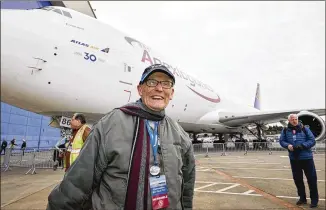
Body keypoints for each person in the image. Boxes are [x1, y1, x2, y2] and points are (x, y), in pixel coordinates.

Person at [47, 64, 196, 210]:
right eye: (151, 82)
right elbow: (77, 183)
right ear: (140, 89)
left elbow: (186, 190)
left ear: (172, 93)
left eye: (166, 84)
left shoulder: (179, 134)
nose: (159, 88)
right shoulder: (111, 124)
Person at [279, 114, 319, 208]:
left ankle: (314, 200)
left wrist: (302, 146)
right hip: (294, 159)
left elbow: (312, 140)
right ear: (289, 120)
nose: (294, 121)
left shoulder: (305, 128)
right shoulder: (285, 130)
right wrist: (287, 146)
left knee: (312, 179)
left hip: (307, 158)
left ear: (298, 119)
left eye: (296, 119)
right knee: (298, 180)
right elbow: (281, 141)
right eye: (292, 119)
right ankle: (302, 198)